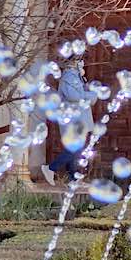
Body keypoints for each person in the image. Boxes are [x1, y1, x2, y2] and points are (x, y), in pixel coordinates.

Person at [41, 57, 96, 185]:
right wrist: (92, 95)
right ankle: (50, 168)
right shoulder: (69, 76)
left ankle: (73, 178)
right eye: (80, 60)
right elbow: (74, 96)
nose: (82, 62)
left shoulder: (75, 76)